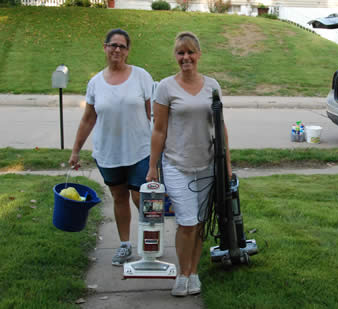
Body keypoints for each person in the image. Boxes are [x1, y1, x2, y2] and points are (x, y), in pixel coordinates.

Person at [146, 31, 232, 297]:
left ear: (199, 55)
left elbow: (221, 128)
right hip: (176, 165)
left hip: (207, 165)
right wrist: (152, 167)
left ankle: (194, 273)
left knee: (200, 222)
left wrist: (227, 166)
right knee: (186, 222)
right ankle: (181, 274)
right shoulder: (165, 87)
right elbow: (159, 131)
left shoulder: (212, 86)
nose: (186, 58)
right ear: (176, 56)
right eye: (181, 53)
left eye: (190, 52)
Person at [69, 28, 153, 266]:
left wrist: (160, 148)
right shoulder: (95, 83)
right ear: (104, 47)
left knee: (141, 198)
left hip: (139, 150)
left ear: (128, 51)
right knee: (119, 197)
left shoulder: (141, 77)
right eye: (113, 45)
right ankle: (125, 245)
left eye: (122, 46)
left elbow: (153, 116)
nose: (117, 49)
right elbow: (88, 119)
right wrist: (75, 150)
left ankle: (151, 244)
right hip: (108, 153)